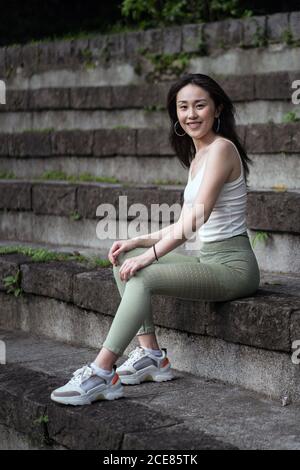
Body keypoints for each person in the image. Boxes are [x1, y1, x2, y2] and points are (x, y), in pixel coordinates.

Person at [51, 73, 260, 406]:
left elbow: (197, 217)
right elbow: (182, 220)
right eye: (183, 107)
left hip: (233, 267)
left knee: (142, 272)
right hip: (208, 259)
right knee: (122, 259)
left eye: (199, 105)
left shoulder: (222, 149)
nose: (191, 114)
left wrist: (150, 257)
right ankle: (151, 354)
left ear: (217, 108)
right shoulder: (198, 156)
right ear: (175, 114)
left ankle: (102, 372)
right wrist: (137, 242)